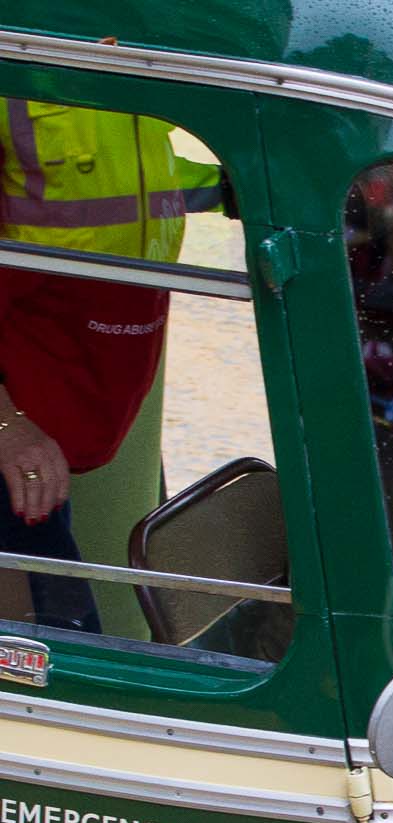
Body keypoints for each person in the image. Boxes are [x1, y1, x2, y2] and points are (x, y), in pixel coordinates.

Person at [0, 99, 226, 634]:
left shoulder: (135, 34)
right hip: (16, 458)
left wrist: (244, 187)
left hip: (55, 442)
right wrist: (5, 427)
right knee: (67, 674)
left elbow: (137, 177)